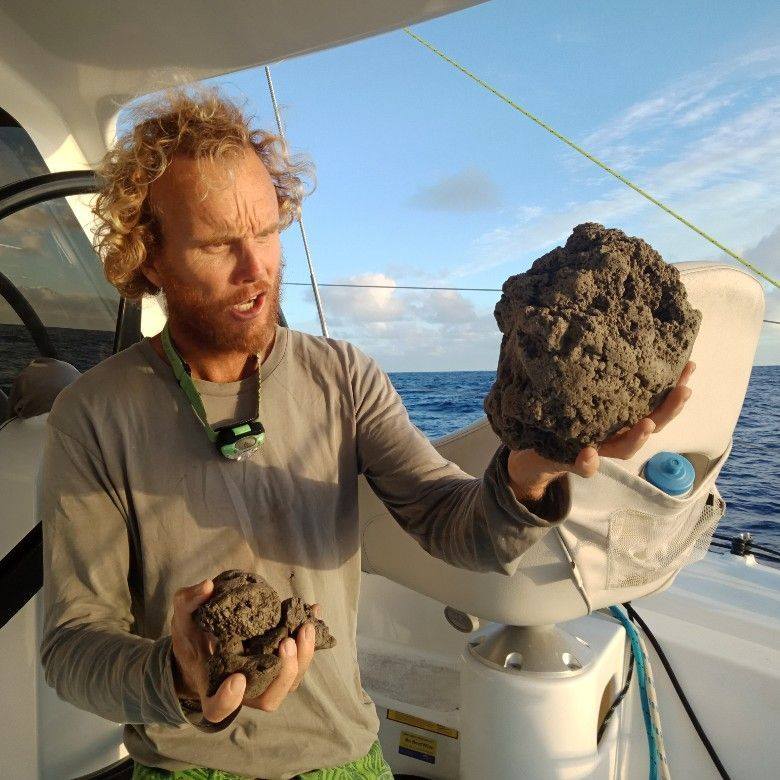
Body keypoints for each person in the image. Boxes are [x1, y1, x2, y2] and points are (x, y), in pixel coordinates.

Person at [39, 86, 693, 780]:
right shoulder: (92, 416)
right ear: (149, 256)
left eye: (265, 230)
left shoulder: (344, 377)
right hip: (180, 769)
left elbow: (455, 524)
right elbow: (71, 650)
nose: (256, 269)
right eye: (216, 244)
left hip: (345, 758)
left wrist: (529, 476)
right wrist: (176, 673)